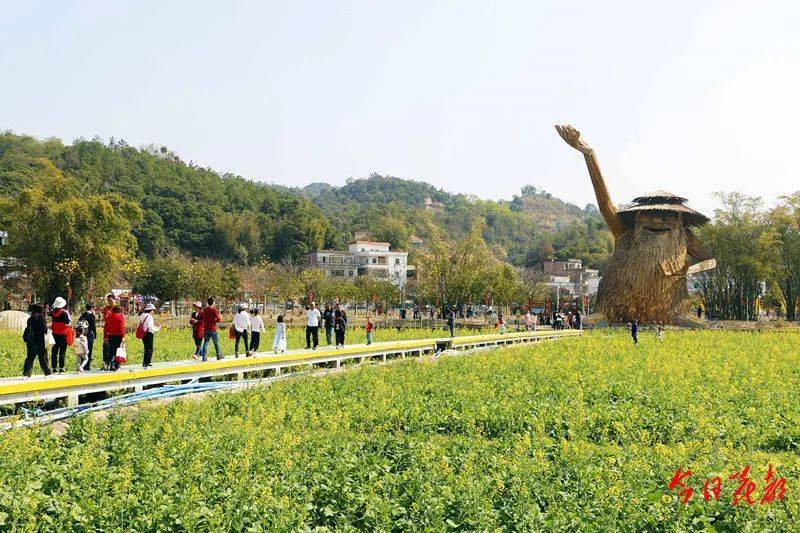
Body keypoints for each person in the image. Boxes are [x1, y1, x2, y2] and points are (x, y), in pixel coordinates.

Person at [22, 304, 52, 378]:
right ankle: (47, 373)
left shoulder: (30, 319)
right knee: (43, 358)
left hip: (30, 341)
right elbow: (45, 330)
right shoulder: (41, 318)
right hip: (40, 341)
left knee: (30, 358)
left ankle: (26, 374)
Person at [49, 297, 71, 373]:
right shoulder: (64, 313)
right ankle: (61, 367)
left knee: (54, 352)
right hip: (63, 334)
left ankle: (54, 367)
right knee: (62, 352)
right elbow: (68, 322)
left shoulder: (52, 312)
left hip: (54, 334)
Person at [104, 305, 126, 371]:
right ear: (120, 311)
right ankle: (116, 366)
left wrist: (105, 337)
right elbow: (121, 328)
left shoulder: (108, 317)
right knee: (118, 352)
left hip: (110, 336)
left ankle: (106, 362)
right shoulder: (120, 317)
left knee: (111, 351)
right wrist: (123, 336)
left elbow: (105, 328)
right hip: (118, 336)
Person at [138, 303, 158, 368]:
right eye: (153, 310)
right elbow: (150, 327)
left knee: (146, 348)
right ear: (151, 310)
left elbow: (141, 324)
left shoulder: (142, 315)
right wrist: (157, 328)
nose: (153, 311)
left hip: (143, 333)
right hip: (149, 333)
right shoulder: (150, 316)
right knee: (149, 348)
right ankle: (147, 363)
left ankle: (144, 363)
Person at [78, 303, 96, 370]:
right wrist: (95, 334)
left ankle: (81, 365)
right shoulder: (91, 316)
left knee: (82, 349)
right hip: (89, 334)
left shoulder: (82, 315)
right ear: (91, 308)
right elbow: (93, 326)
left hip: (82, 334)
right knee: (89, 350)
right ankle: (86, 366)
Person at [101, 293, 116, 370]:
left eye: (110, 300)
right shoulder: (106, 308)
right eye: (108, 300)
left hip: (115, 331)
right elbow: (106, 318)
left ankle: (113, 364)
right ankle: (105, 364)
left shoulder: (118, 308)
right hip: (107, 330)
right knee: (106, 348)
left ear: (114, 300)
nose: (109, 302)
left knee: (114, 348)